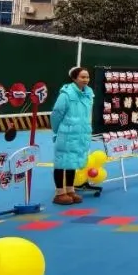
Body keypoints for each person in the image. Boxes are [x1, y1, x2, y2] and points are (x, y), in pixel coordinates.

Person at [50, 66, 94, 206]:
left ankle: (70, 190)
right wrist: (58, 130)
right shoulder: (66, 94)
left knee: (72, 161)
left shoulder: (89, 94)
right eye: (82, 77)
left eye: (87, 77)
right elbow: (56, 114)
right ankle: (59, 193)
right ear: (74, 78)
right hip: (66, 133)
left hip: (81, 134)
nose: (85, 80)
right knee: (61, 162)